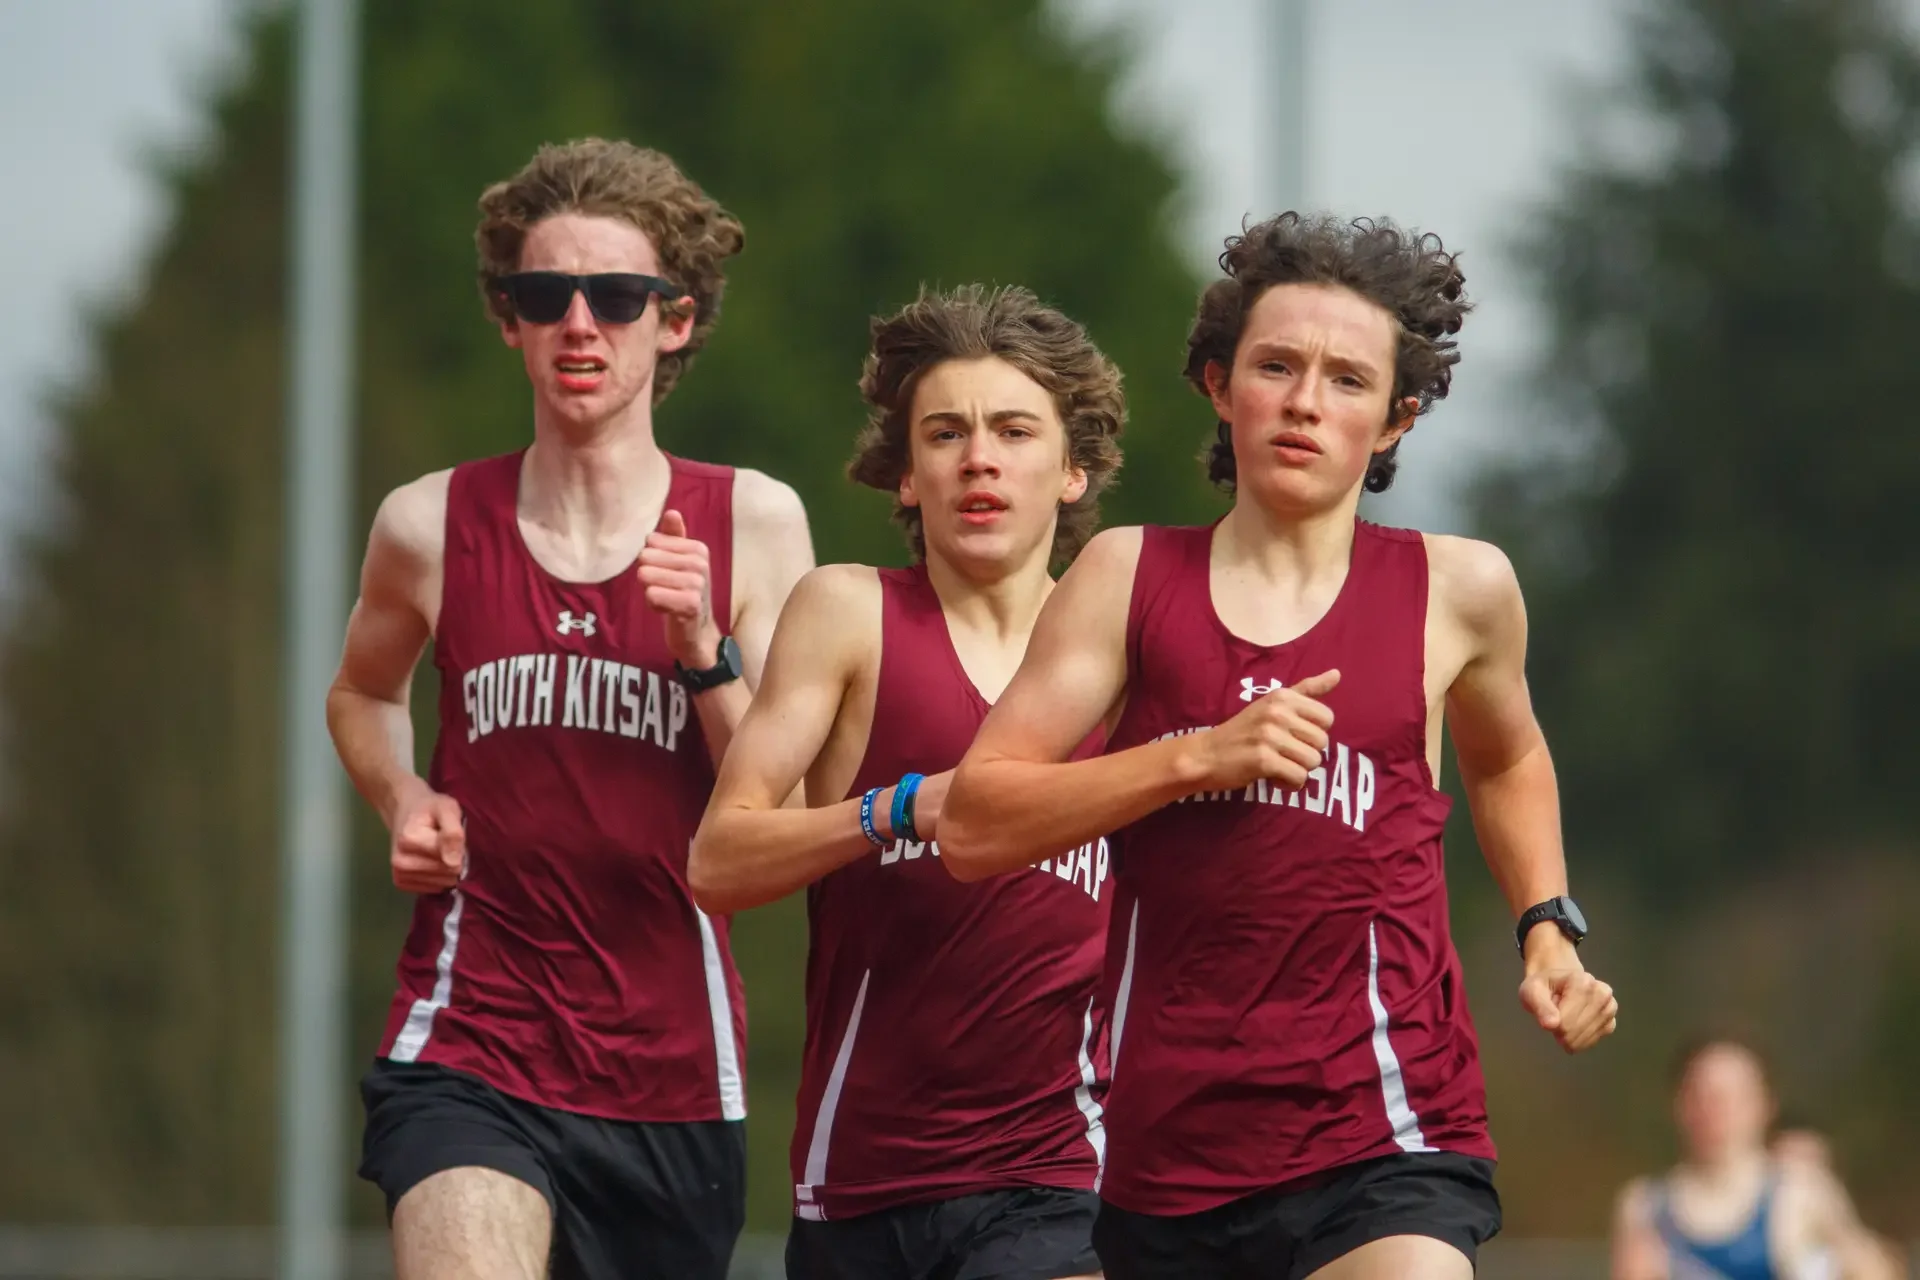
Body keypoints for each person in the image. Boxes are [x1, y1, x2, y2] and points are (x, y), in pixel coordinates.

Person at [937, 212, 1620, 1280]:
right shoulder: (1127, 577)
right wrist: (1196, 755)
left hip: (1385, 1128)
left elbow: (1507, 756)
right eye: (1276, 365)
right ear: (1218, 383)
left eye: (1347, 380)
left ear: (1394, 421)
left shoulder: (1459, 590)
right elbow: (974, 821)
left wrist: (1546, 924)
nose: (1305, 400)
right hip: (1164, 1150)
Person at [327, 138, 815, 1280]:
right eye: (545, 296)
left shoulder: (755, 522)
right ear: (510, 319)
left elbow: (779, 807)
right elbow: (362, 689)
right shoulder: (427, 523)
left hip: (672, 1074)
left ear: (676, 320)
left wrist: (704, 652)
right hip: (470, 1042)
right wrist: (401, 791)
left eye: (618, 297)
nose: (580, 325)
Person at [688, 284, 1124, 1280]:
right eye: (946, 432)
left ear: (1073, 470)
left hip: (1063, 1174)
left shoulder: (1126, 654)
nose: (979, 457)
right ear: (906, 477)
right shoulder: (847, 613)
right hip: (864, 1180)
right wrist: (896, 809)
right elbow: (720, 858)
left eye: (1015, 431)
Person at [1612, 1039, 1901, 1280]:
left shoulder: (1800, 1192)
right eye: (1702, 1095)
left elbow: (1878, 1270)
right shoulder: (1645, 1206)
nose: (1714, 1112)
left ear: (1764, 1105)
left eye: (1729, 1098)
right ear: (1679, 1104)